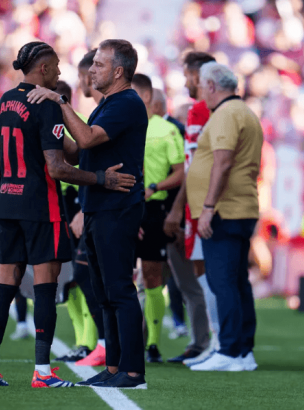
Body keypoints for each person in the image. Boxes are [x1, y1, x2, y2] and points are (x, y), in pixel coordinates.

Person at [0, 41, 136, 388]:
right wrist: (101, 178)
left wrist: (1, 197)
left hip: (8, 205)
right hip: (40, 208)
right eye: (57, 66)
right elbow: (57, 168)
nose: (62, 72)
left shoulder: (2, 102)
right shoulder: (45, 104)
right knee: (46, 289)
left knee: (5, 286)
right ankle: (43, 372)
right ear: (44, 69)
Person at [27, 39, 148, 389]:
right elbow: (78, 150)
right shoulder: (108, 104)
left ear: (118, 71)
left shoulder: (126, 103)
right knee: (103, 291)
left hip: (117, 206)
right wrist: (49, 127)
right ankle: (113, 367)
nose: (91, 70)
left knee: (120, 289)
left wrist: (59, 102)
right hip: (99, 205)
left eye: (98, 64)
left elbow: (89, 138)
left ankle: (133, 370)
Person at [182, 62, 263, 372]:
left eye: (202, 86)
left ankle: (229, 350)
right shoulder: (242, 111)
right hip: (239, 208)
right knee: (237, 281)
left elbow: (223, 162)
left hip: (226, 210)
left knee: (223, 281)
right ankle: (242, 351)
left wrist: (207, 207)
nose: (200, 92)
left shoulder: (226, 115)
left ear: (212, 86)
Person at [164, 51, 220, 367]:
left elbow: (195, 166)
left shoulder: (200, 110)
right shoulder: (211, 110)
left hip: (200, 206)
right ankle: (216, 343)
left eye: (187, 75)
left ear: (199, 77)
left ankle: (218, 345)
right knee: (208, 276)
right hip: (205, 203)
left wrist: (178, 208)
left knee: (205, 275)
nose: (185, 81)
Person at [152, 88, 211, 363]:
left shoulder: (171, 132)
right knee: (177, 284)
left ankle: (203, 343)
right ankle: (198, 341)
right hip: (175, 216)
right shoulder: (177, 133)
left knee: (190, 284)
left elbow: (186, 178)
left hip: (176, 217)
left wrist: (178, 216)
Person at [131, 73, 185, 363]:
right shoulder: (123, 126)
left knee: (152, 276)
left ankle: (151, 343)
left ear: (148, 97)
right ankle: (121, 340)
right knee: (123, 277)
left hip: (152, 211)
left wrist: (154, 188)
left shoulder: (167, 130)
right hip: (124, 209)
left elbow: (180, 172)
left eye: (136, 95)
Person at [52, 79, 97, 362]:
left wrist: (83, 210)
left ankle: (89, 342)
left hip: (78, 204)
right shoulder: (45, 126)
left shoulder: (80, 127)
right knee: (67, 281)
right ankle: (82, 341)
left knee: (84, 276)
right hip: (59, 207)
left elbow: (90, 167)